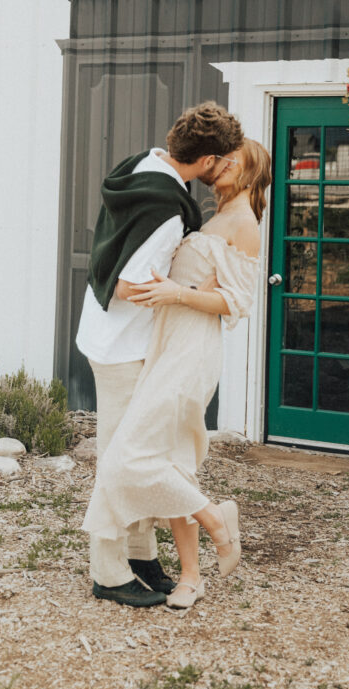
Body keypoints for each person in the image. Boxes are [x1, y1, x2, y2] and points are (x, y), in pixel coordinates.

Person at [82, 138, 271, 609]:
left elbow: (237, 303)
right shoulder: (207, 214)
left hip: (189, 351)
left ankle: (203, 527)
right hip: (162, 345)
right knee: (164, 457)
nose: (225, 162)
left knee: (132, 457)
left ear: (251, 171)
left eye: (236, 158)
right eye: (223, 155)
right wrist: (180, 289)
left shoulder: (244, 224)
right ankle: (192, 558)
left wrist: (177, 293)